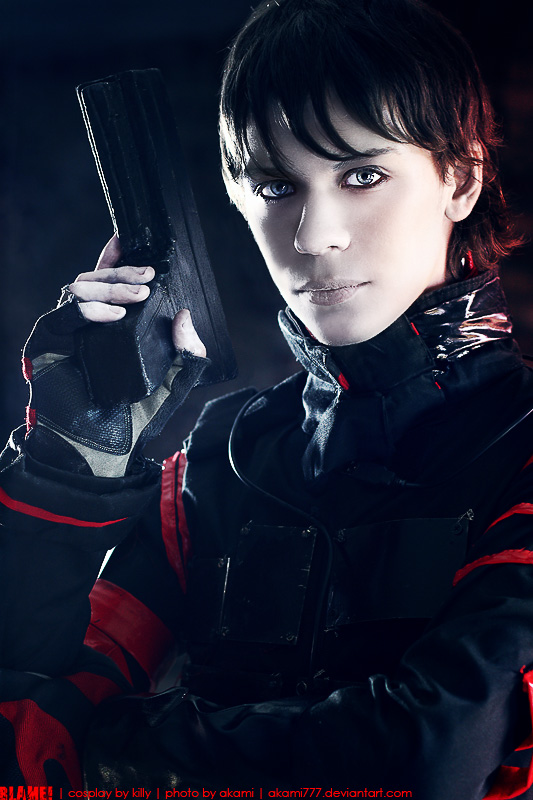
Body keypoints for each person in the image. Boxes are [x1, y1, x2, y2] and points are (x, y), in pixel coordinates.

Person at [1, 0, 533, 797]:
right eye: (276, 185)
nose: (314, 235)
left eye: (361, 175)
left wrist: (102, 752)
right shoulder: (216, 464)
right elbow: (22, 717)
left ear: (459, 178)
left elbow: (433, 757)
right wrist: (66, 469)